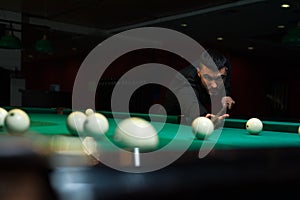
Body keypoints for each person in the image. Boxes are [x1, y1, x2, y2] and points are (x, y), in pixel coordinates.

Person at [162, 49, 235, 127]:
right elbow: (190, 101)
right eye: (208, 78)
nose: (214, 85)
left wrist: (225, 95)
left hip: (190, 121)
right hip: (169, 123)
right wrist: (204, 117)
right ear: (198, 72)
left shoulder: (224, 70)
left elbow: (226, 81)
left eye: (219, 78)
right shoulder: (184, 80)